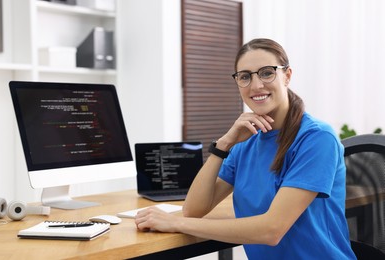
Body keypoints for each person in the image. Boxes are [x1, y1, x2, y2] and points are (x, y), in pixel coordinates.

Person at [134, 38, 356, 259]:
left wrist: (177, 223)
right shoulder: (246, 141)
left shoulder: (317, 138)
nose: (256, 85)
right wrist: (223, 146)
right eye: (245, 76)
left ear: (287, 76)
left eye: (267, 73)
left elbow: (272, 230)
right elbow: (194, 210)